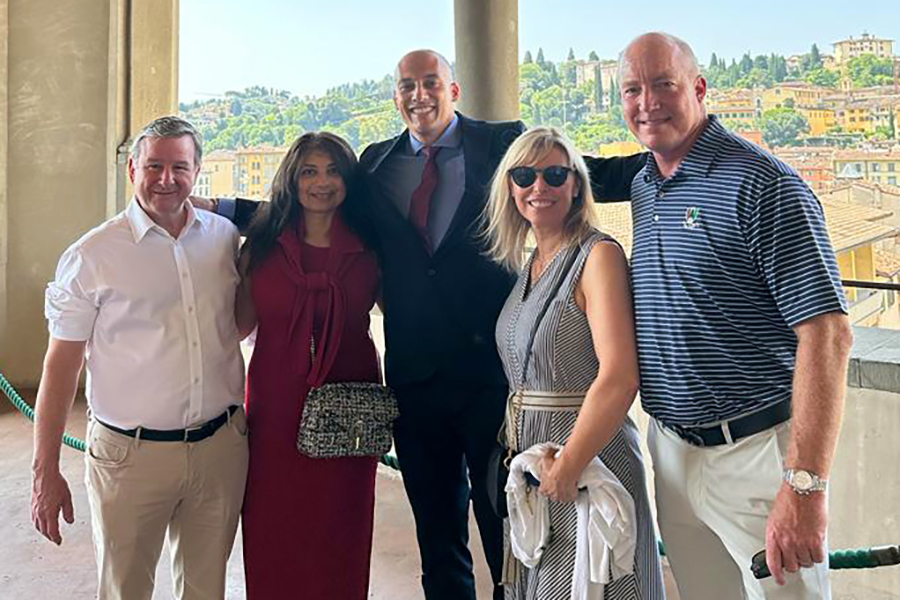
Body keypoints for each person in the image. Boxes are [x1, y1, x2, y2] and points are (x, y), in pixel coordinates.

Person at [209, 49, 644, 600]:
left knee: (509, 533)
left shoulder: (502, 145)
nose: (420, 95)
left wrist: (668, 158)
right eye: (408, 85)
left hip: (492, 377)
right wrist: (219, 206)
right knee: (438, 540)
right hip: (415, 381)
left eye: (431, 82)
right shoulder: (374, 163)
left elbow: (581, 174)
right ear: (396, 97)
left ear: (454, 90)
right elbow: (309, 206)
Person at [618, 32, 853, 599]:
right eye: (632, 89)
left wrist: (804, 486)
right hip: (671, 451)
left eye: (664, 85)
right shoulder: (646, 185)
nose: (647, 102)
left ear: (698, 89)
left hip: (755, 455)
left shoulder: (764, 184)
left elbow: (827, 334)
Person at [30, 116, 248, 600]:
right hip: (130, 457)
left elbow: (240, 321)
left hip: (220, 451)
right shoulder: (92, 255)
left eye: (179, 167)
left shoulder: (224, 239)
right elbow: (60, 368)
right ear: (132, 169)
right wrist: (45, 470)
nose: (166, 179)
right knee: (126, 589)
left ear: (198, 171)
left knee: (206, 589)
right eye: (154, 166)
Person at [485, 126, 665, 599]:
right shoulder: (530, 263)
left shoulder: (598, 256)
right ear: (510, 187)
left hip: (590, 463)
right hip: (540, 468)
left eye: (554, 174)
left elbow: (620, 374)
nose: (538, 187)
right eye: (524, 175)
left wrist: (570, 463)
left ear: (577, 184)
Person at [235, 132, 381, 599]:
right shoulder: (259, 246)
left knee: (343, 525)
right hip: (275, 408)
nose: (322, 182)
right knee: (272, 523)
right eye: (309, 171)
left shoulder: (373, 247)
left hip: (352, 403)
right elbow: (236, 326)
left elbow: (407, 312)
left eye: (334, 170)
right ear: (291, 180)